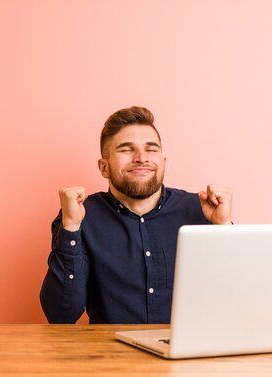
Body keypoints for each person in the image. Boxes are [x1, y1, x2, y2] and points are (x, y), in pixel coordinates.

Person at [39, 106, 233, 324]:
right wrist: (71, 227)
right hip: (113, 355)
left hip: (190, 355)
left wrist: (223, 228)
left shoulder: (202, 210)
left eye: (151, 149)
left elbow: (237, 301)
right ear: (104, 167)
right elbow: (61, 314)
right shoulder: (80, 216)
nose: (141, 158)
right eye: (126, 149)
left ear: (163, 162)